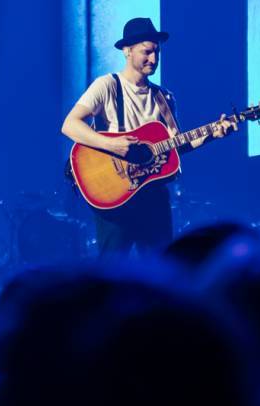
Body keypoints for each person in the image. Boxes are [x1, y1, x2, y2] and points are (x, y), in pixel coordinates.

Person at [60, 18, 235, 255]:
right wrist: (111, 144)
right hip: (114, 193)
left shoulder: (165, 98)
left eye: (157, 53)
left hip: (152, 196)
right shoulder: (106, 86)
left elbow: (175, 144)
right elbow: (70, 125)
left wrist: (213, 134)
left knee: (161, 268)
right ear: (127, 51)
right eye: (147, 52)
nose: (153, 59)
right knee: (113, 271)